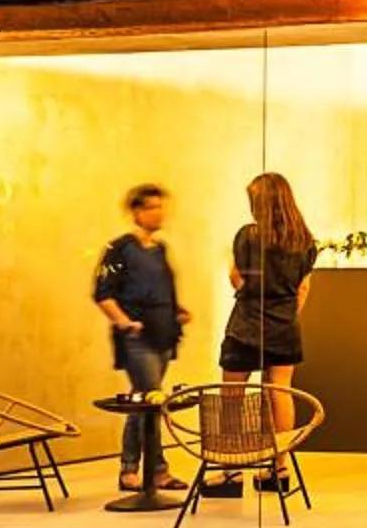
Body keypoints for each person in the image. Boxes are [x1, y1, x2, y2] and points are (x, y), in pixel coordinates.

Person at [210, 171, 319, 497]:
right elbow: (303, 289)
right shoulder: (304, 240)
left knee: (232, 398)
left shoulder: (247, 236)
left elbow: (236, 279)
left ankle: (230, 472)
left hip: (245, 326)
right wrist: (282, 316)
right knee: (279, 393)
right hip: (283, 327)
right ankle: (278, 467)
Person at [92, 183, 190, 506]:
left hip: (163, 335)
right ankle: (157, 469)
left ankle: (130, 468)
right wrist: (124, 322)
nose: (158, 213)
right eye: (151, 207)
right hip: (137, 339)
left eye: (161, 207)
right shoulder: (119, 248)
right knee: (151, 402)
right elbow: (103, 292)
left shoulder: (160, 250)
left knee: (144, 403)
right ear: (136, 211)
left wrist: (177, 312)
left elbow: (161, 290)